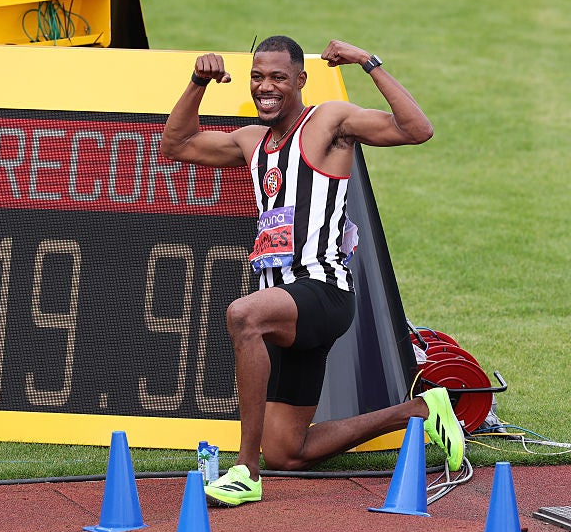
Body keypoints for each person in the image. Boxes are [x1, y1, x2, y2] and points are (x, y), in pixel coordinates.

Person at [160, 35, 464, 507]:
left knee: (243, 316)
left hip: (323, 290)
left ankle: (245, 469)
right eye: (258, 77)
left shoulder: (329, 120)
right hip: (284, 308)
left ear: (300, 80)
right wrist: (197, 82)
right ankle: (421, 409)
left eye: (279, 77)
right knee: (288, 451)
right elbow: (176, 146)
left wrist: (368, 62)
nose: (266, 87)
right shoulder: (252, 141)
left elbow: (416, 129)